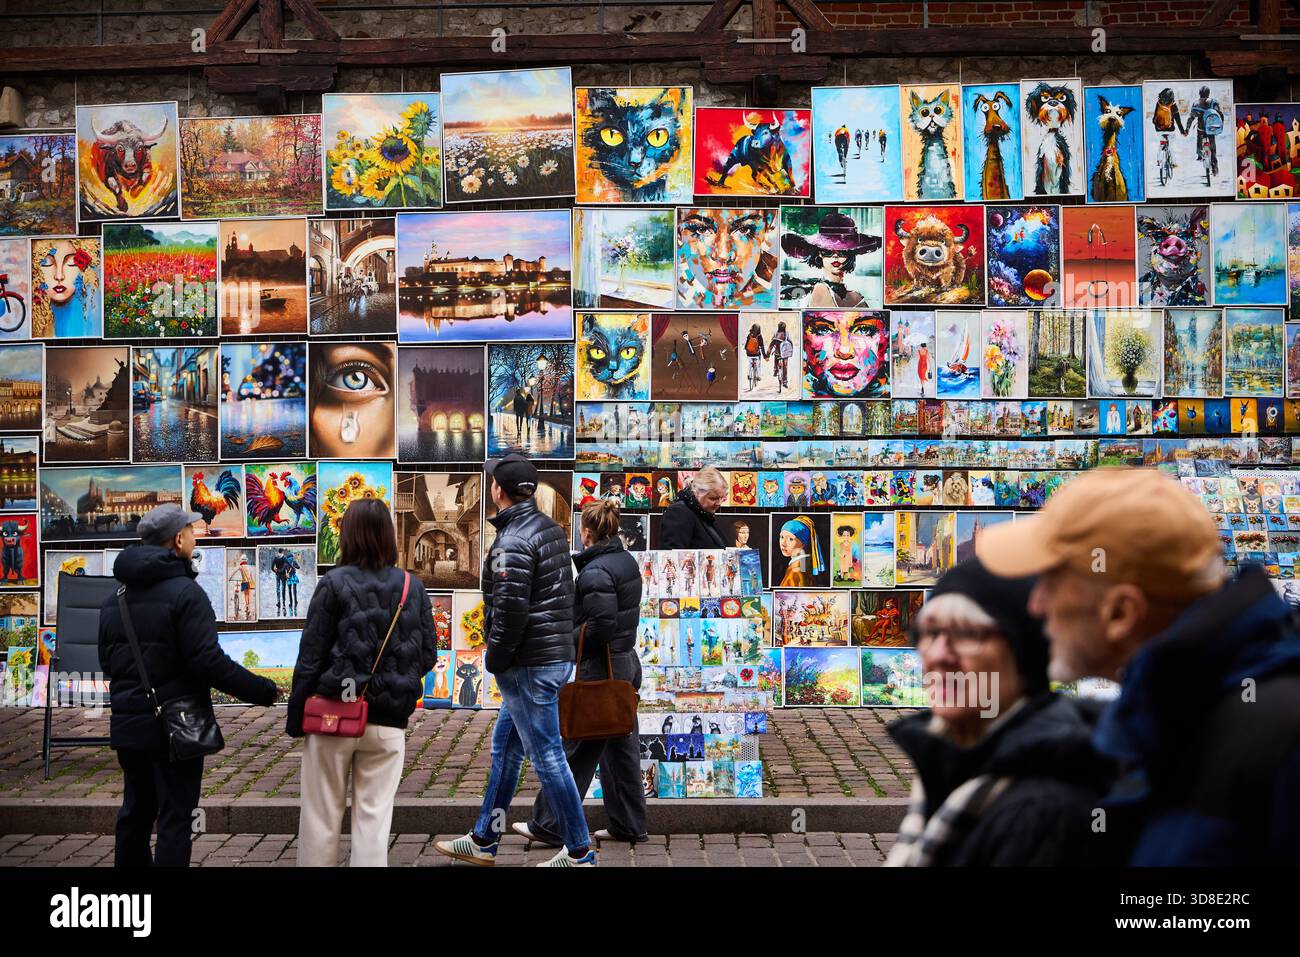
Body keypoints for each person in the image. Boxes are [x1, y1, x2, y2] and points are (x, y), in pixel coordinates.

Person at [977, 468, 1300, 866]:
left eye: (1051, 582)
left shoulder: (1277, 740)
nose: (1035, 604)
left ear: (1121, 613)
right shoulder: (1167, 720)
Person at [886, 559, 1114, 866]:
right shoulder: (952, 768)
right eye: (930, 632)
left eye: (967, 634)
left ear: (1024, 654)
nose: (939, 655)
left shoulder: (1043, 814)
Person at [98, 504, 278, 867]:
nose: (196, 537)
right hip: (175, 729)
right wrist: (261, 690)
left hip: (130, 727)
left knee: (134, 812)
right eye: (192, 531)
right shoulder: (186, 594)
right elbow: (209, 662)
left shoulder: (114, 598)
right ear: (178, 540)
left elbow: (107, 662)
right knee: (174, 818)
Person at [435, 453, 591, 867]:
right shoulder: (549, 530)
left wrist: (496, 660)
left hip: (528, 666)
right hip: (550, 657)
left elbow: (509, 610)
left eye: (490, 483)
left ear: (497, 491)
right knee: (505, 750)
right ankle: (486, 837)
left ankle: (579, 851)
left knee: (547, 756)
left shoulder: (511, 541)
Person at [288, 498, 435, 867]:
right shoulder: (411, 586)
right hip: (387, 722)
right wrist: (397, 682)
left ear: (347, 534)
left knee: (321, 816)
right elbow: (428, 654)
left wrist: (296, 716)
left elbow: (311, 656)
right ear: (389, 536)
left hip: (332, 718)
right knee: (373, 819)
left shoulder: (333, 583)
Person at [517, 499, 648, 848]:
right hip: (624, 663)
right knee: (621, 749)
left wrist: (563, 640)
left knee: (577, 748)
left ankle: (548, 824)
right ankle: (629, 825)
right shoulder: (623, 560)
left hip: (602, 668)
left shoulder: (595, 571)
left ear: (585, 532)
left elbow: (600, 626)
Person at [660, 466, 727, 549]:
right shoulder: (679, 512)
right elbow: (675, 555)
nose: (719, 503)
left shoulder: (703, 513)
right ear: (697, 492)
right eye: (713, 498)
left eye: (722, 498)